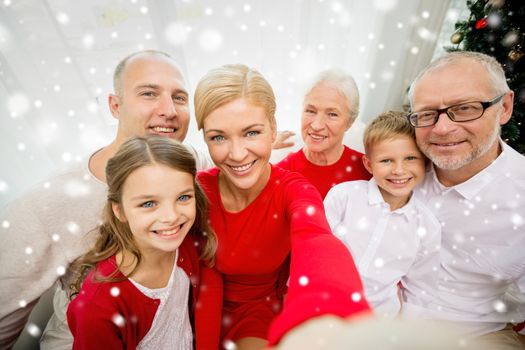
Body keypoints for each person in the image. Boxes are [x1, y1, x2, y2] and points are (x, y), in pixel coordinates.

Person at [0, 50, 213, 349]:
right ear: (115, 105)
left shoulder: (191, 163)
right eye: (149, 93)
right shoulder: (47, 204)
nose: (169, 110)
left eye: (179, 98)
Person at [193, 64, 371, 350]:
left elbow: (317, 240)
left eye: (251, 132)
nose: (237, 154)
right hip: (190, 309)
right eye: (218, 137)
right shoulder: (196, 191)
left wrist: (339, 317)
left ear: (273, 129)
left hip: (255, 315)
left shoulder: (295, 190)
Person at [403, 51, 525, 349]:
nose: (442, 129)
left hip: (476, 337)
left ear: (505, 107)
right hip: (384, 320)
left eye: (466, 108)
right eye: (427, 114)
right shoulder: (399, 166)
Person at [67, 136, 220, 349]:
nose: (171, 216)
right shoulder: (98, 307)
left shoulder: (189, 244)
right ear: (119, 210)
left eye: (183, 198)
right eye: (149, 203)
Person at [324, 111, 440, 318]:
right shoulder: (344, 197)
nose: (399, 170)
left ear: (426, 162)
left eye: (411, 158)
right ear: (369, 164)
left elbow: (421, 290)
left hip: (376, 320)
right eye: (386, 161)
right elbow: (313, 250)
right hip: (322, 308)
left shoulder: (426, 225)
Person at [276, 69, 371, 198]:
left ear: (350, 121)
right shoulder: (281, 173)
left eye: (332, 114)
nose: (316, 125)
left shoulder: (369, 170)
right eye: (310, 111)